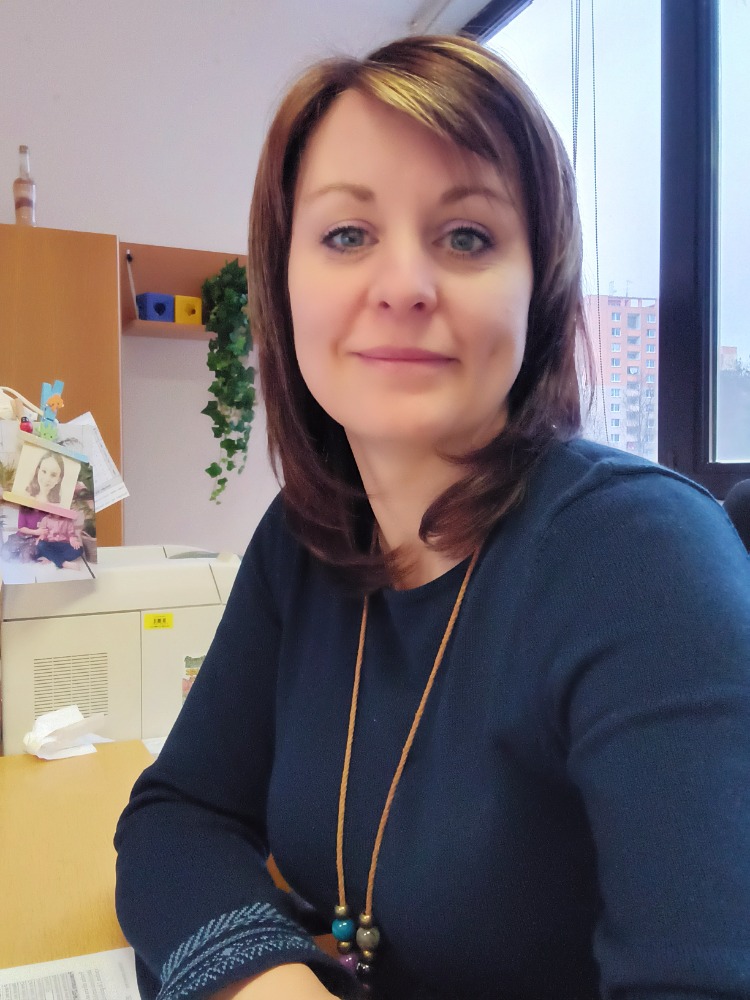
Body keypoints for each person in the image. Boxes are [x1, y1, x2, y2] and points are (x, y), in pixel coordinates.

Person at [114, 35, 750, 1000]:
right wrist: (272, 982)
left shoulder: (645, 561)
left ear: (539, 289)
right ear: (282, 283)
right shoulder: (307, 537)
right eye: (346, 235)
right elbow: (177, 815)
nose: (405, 284)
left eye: (467, 237)